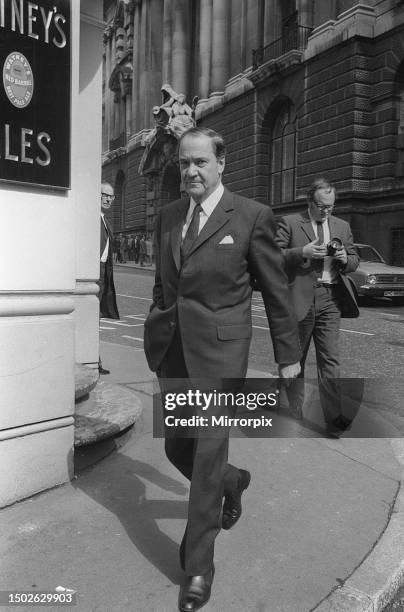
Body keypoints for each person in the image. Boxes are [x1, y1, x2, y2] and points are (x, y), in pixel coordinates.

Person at [144, 127, 301, 611]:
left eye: (201, 163)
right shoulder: (169, 216)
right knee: (177, 449)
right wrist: (156, 325)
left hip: (220, 354)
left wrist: (288, 355)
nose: (191, 171)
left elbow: (275, 290)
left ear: (221, 164)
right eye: (185, 164)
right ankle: (231, 482)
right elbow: (162, 286)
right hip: (174, 352)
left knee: (207, 455)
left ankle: (198, 567)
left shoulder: (251, 216)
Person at [275, 177, 359, 436]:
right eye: (322, 206)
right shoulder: (290, 222)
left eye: (331, 207)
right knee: (295, 358)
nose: (327, 211)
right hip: (300, 299)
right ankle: (294, 405)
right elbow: (272, 257)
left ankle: (333, 421)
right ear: (310, 202)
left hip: (331, 298)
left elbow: (355, 258)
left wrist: (346, 259)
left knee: (330, 361)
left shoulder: (341, 226)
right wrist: (302, 252)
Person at [99, 182, 120, 375]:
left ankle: (94, 360)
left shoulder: (106, 222)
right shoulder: (92, 219)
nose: (107, 199)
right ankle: (92, 361)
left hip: (103, 276)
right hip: (93, 276)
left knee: (95, 319)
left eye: (110, 196)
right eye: (104, 195)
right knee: (90, 318)